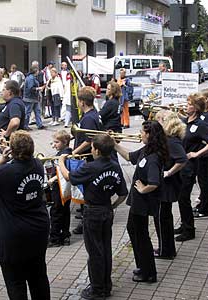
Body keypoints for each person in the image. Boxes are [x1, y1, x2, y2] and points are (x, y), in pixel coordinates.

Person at [0, 130, 50, 300]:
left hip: (13, 236)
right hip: (38, 231)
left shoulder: (5, 173)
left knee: (15, 283)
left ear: (12, 151)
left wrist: (2, 160)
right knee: (38, 278)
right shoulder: (38, 164)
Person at [59, 134, 128, 299]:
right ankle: (106, 285)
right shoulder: (115, 166)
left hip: (93, 212)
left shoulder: (91, 167)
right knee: (105, 249)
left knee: (95, 252)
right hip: (106, 210)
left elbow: (69, 177)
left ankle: (97, 289)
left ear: (96, 150)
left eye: (92, 147)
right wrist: (112, 206)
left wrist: (61, 160)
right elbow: (123, 194)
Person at [114, 120, 169, 283]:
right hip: (138, 202)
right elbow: (130, 157)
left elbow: (154, 182)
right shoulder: (147, 150)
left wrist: (143, 188)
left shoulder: (152, 158)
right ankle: (143, 266)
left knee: (141, 235)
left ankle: (148, 272)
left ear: (150, 135)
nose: (140, 134)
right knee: (133, 230)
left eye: (143, 132)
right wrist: (114, 145)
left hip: (143, 203)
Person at [175, 93, 208, 242]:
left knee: (184, 198)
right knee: (181, 198)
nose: (186, 106)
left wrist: (196, 153)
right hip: (180, 165)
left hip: (189, 167)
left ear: (196, 108)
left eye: (189, 104)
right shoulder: (186, 122)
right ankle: (184, 224)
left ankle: (189, 230)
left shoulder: (200, 125)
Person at [153, 110, 187, 259]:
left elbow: (182, 159)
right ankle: (166, 248)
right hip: (167, 185)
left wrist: (168, 172)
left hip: (167, 186)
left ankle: (165, 250)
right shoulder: (168, 139)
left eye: (158, 121)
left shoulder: (171, 141)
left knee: (162, 219)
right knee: (163, 218)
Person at [72, 86, 103, 235]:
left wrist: (74, 152)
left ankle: (85, 223)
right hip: (88, 158)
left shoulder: (89, 118)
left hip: (87, 159)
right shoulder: (92, 115)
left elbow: (89, 140)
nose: (78, 103)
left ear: (83, 102)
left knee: (87, 191)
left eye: (78, 101)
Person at [47, 130, 72, 247]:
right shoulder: (66, 152)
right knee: (65, 211)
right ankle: (65, 234)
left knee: (56, 211)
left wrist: (52, 179)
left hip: (60, 187)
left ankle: (55, 237)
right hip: (65, 188)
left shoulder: (64, 155)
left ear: (65, 142)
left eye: (57, 142)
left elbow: (63, 172)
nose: (54, 144)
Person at [60, 62, 72, 128]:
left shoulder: (68, 73)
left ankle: (66, 122)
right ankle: (65, 120)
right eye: (64, 65)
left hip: (68, 97)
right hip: (67, 96)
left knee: (68, 110)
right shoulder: (60, 73)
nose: (65, 66)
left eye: (66, 65)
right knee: (67, 109)